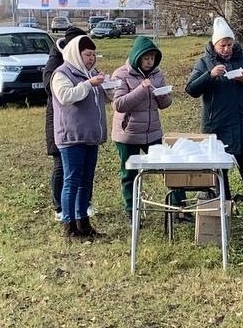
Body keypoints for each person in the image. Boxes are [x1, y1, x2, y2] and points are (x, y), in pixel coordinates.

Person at [185, 17, 243, 219]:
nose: (227, 49)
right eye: (223, 45)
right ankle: (225, 203)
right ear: (215, 44)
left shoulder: (242, 59)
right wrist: (209, 75)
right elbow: (191, 89)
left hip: (241, 120)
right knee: (220, 166)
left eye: (230, 45)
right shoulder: (204, 62)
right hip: (216, 123)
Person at [51, 34, 113, 240]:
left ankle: (83, 222)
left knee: (87, 181)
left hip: (90, 136)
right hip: (72, 137)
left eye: (93, 55)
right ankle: (69, 225)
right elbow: (66, 96)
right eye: (87, 55)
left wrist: (109, 86)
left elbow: (102, 99)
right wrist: (88, 84)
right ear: (76, 54)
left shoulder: (91, 73)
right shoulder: (62, 73)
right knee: (72, 181)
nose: (91, 58)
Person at [110, 36, 173, 216]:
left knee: (168, 166)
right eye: (146, 58)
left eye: (152, 58)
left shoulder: (157, 74)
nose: (149, 62)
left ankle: (179, 207)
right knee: (129, 173)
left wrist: (163, 95)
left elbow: (165, 104)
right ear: (137, 57)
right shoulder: (121, 74)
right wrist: (141, 89)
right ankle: (132, 210)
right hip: (128, 133)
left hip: (152, 132)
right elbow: (118, 104)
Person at [44, 26, 86, 223]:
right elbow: (49, 86)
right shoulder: (57, 60)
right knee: (61, 165)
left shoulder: (84, 62)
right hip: (59, 120)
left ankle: (81, 206)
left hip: (80, 123)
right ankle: (60, 207)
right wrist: (82, 85)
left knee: (81, 169)